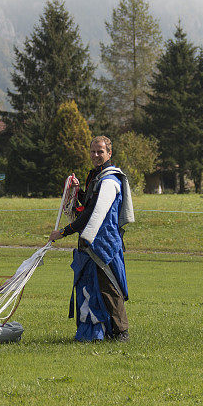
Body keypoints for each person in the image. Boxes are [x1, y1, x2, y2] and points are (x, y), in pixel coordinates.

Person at [49, 136, 134, 342]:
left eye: (100, 152)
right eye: (93, 151)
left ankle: (122, 332)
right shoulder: (97, 176)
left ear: (109, 153)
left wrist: (64, 231)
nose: (96, 155)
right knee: (93, 286)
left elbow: (93, 213)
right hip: (91, 242)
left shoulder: (110, 180)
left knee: (109, 286)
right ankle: (102, 331)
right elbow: (89, 203)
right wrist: (77, 191)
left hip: (105, 242)